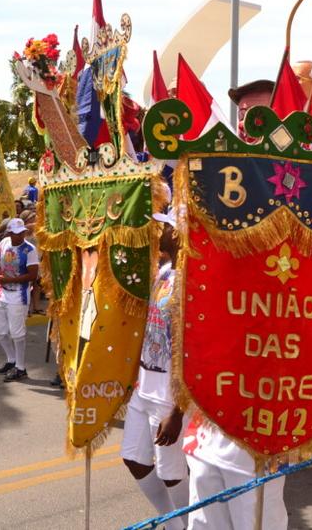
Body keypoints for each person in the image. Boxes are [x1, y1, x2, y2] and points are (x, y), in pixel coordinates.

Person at [121, 213, 188, 529]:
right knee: (133, 458)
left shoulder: (191, 281)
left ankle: (187, 523)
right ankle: (174, 521)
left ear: (178, 233)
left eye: (163, 225)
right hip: (144, 383)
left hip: (169, 390)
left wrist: (178, 410)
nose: (156, 230)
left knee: (171, 471)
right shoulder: (162, 272)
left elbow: (193, 350)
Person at [0, 218, 39, 382]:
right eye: (16, 233)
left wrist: (9, 280)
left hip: (19, 294)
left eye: (22, 232)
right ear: (10, 233)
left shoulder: (29, 250)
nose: (20, 235)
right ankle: (11, 360)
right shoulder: (4, 243)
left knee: (17, 333)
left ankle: (20, 367)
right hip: (2, 292)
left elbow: (33, 275)